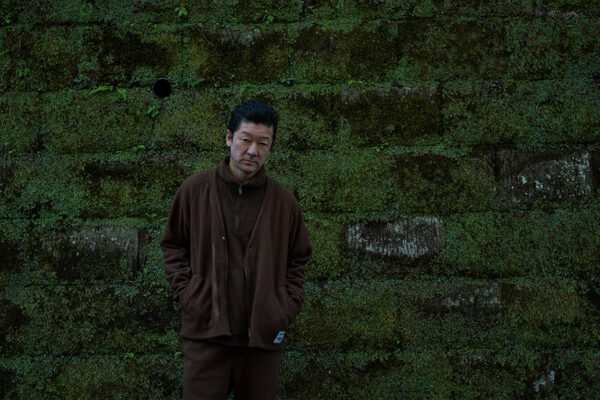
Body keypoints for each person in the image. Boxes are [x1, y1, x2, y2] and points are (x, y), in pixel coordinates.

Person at [160, 101, 312, 400]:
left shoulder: (284, 204)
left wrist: (283, 307)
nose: (253, 151)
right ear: (229, 138)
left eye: (263, 143)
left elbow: (298, 259)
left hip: (261, 341)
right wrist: (190, 294)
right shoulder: (194, 191)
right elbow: (173, 245)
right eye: (246, 140)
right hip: (205, 336)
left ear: (270, 148)